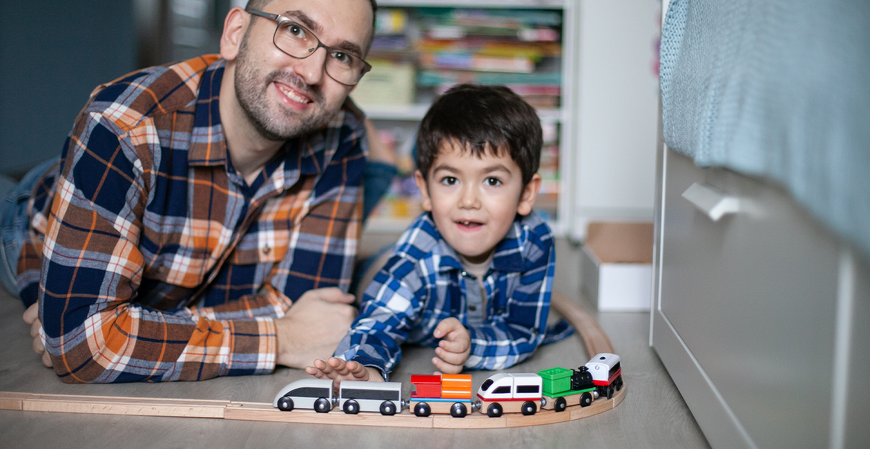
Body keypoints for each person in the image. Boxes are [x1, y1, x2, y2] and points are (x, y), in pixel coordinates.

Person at [0, 0, 386, 383]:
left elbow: (312, 312)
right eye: (296, 31)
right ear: (236, 34)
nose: (313, 72)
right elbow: (84, 345)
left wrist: (126, 325)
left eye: (342, 56)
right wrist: (281, 337)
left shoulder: (342, 132)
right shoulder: (120, 125)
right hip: (32, 215)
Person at [307, 84, 573, 383]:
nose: (469, 201)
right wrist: (365, 366)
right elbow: (379, 321)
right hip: (378, 272)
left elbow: (524, 331)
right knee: (358, 265)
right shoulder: (418, 253)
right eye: (450, 179)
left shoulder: (535, 242)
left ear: (526, 193)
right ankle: (381, 166)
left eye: (493, 181)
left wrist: (473, 345)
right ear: (425, 190)